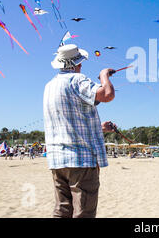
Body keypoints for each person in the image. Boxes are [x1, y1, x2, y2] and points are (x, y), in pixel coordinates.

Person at [43, 44, 117, 218]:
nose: (81, 66)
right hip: (81, 160)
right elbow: (107, 94)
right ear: (75, 64)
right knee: (84, 212)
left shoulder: (50, 86)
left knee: (62, 210)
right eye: (80, 62)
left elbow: (67, 122)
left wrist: (100, 128)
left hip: (57, 160)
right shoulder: (76, 79)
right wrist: (104, 75)